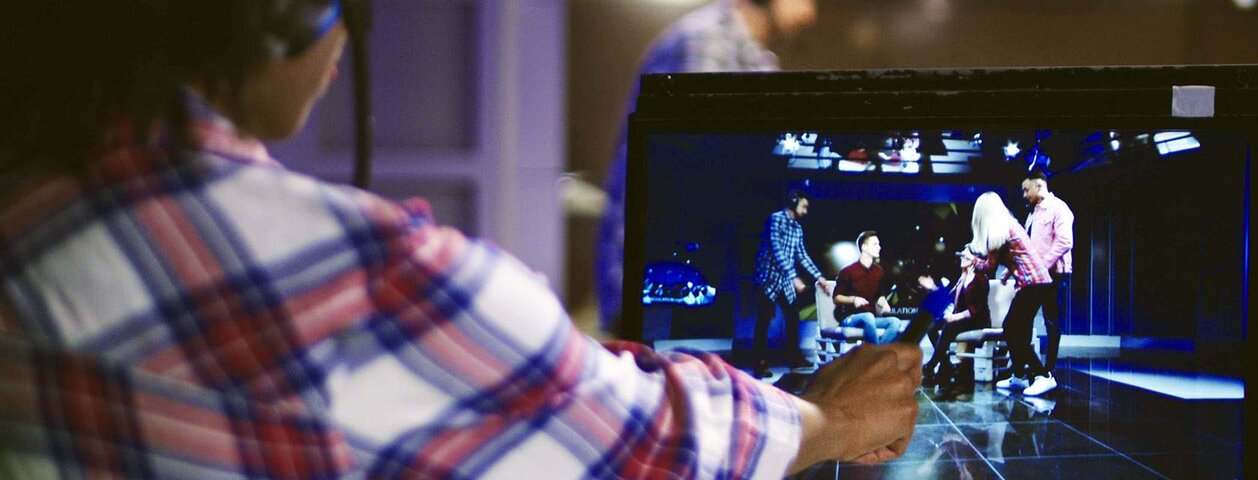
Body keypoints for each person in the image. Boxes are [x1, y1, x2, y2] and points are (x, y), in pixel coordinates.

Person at [0, 1, 920, 478]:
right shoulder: (355, 278)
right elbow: (636, 442)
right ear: (283, 16)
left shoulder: (34, 207)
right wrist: (827, 420)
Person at [596, 0, 818, 331]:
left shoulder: (752, 55)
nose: (811, 12)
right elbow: (697, 165)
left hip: (683, 267)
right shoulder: (707, 41)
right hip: (660, 274)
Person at [970, 192, 1059, 396]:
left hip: (1033, 283)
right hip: (1035, 281)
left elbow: (990, 265)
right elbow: (1019, 255)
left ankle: (1043, 376)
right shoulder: (1009, 224)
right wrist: (1008, 273)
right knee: (1015, 328)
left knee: (1012, 327)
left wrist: (974, 262)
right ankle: (1019, 376)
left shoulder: (995, 230)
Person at [753, 190, 830, 377]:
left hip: (785, 278)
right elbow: (776, 249)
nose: (805, 211)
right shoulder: (776, 219)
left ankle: (794, 357)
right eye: (803, 206)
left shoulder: (797, 228)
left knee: (793, 317)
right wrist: (794, 277)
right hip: (768, 278)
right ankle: (760, 361)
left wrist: (819, 277)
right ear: (793, 203)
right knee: (765, 319)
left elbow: (802, 255)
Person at [1021, 169, 1073, 377]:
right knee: (1022, 320)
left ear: (1039, 185)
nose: (1024, 195)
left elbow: (1064, 241)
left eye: (1026, 190)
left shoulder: (1059, 208)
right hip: (1035, 277)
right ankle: (1024, 367)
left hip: (1054, 275)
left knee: (1052, 322)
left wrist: (1041, 266)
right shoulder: (1033, 213)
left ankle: (1049, 371)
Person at [919, 248, 991, 397]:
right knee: (931, 324)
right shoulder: (963, 276)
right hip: (962, 319)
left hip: (976, 320)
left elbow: (976, 310)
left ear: (974, 259)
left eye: (965, 256)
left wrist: (954, 317)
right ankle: (945, 365)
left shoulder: (981, 279)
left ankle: (931, 366)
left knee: (950, 325)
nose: (961, 259)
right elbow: (950, 298)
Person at [832, 231, 902, 345]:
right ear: (864, 247)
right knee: (868, 317)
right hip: (849, 318)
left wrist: (884, 303)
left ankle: (875, 354)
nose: (879, 247)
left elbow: (878, 295)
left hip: (870, 318)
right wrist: (854, 299)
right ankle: (875, 356)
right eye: (875, 244)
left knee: (895, 322)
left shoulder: (878, 271)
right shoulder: (847, 271)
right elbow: (836, 297)